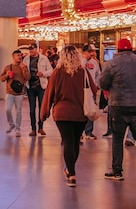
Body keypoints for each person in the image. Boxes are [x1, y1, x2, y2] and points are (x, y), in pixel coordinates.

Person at [99, 38, 136, 182]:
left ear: (118, 49)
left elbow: (102, 83)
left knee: (118, 138)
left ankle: (117, 171)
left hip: (118, 106)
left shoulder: (111, 64)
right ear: (131, 48)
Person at [41, 46, 90, 187]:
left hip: (62, 113)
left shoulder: (57, 72)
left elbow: (49, 92)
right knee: (75, 142)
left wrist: (44, 112)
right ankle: (70, 169)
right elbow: (93, 88)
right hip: (80, 113)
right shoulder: (83, 72)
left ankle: (72, 173)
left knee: (67, 141)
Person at [23, 43, 53, 137]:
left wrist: (43, 74)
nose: (30, 51)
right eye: (29, 50)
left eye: (32, 49)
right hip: (30, 87)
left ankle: (41, 127)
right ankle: (33, 129)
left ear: (37, 49)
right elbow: (23, 71)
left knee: (41, 108)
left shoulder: (44, 58)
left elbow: (51, 71)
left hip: (41, 87)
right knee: (32, 109)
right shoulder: (26, 59)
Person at [0, 49, 30, 137]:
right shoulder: (8, 67)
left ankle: (17, 128)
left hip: (20, 93)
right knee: (7, 109)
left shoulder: (24, 66)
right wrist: (7, 75)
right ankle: (11, 124)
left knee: (18, 111)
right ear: (13, 57)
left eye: (21, 55)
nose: (20, 57)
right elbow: (1, 78)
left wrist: (24, 68)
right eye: (18, 55)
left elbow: (28, 77)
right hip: (9, 92)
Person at [81, 44, 101, 138]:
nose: (92, 53)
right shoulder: (80, 61)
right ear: (84, 52)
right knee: (81, 110)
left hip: (91, 90)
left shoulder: (95, 62)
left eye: (92, 51)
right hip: (81, 90)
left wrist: (96, 85)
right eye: (89, 52)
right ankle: (80, 132)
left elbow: (98, 75)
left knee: (91, 110)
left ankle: (89, 131)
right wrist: (84, 59)